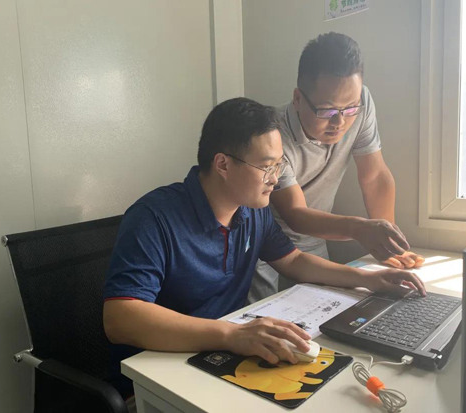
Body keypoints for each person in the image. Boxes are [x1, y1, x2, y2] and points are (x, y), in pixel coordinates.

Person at [103, 97, 425, 401]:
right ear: (223, 164)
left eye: (279, 165)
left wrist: (369, 279)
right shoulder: (153, 218)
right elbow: (120, 319)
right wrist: (231, 335)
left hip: (221, 358)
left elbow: (293, 261)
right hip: (155, 375)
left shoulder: (252, 211)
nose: (276, 179)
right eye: (267, 167)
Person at [248, 32, 425, 304]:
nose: (340, 122)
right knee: (263, 318)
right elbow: (295, 213)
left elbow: (374, 176)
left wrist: (386, 241)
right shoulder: (274, 135)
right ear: (298, 98)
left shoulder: (362, 103)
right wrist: (360, 229)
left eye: (350, 109)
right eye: (327, 111)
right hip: (265, 248)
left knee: (323, 312)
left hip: (316, 238)